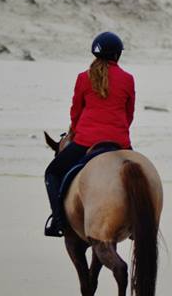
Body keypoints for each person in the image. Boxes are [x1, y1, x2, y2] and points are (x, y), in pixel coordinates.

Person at [44, 32, 135, 237]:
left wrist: (75, 132)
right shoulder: (128, 79)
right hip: (119, 142)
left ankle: (58, 222)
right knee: (139, 177)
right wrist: (118, 131)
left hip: (86, 141)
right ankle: (140, 224)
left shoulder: (83, 78)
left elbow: (75, 112)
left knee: (52, 173)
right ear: (118, 55)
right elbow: (129, 114)